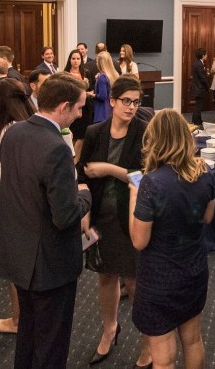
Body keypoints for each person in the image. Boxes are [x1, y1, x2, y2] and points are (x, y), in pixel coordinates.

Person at [0, 73, 91, 369]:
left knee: (29, 332)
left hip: (18, 253)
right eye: (79, 108)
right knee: (51, 342)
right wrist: (85, 195)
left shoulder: (14, 132)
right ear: (63, 106)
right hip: (49, 262)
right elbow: (65, 216)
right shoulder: (57, 147)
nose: (80, 114)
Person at [129, 109, 215, 369]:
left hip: (159, 279)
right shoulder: (205, 172)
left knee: (164, 360)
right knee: (193, 340)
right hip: (194, 271)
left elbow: (139, 241)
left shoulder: (151, 183)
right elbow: (207, 218)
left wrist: (133, 198)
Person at [77, 75, 151, 367]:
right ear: (112, 101)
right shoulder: (95, 132)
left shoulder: (145, 132)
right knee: (106, 277)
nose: (131, 107)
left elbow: (147, 179)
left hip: (131, 217)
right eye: (126, 101)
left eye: (136, 102)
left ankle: (147, 342)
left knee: (134, 282)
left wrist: (109, 169)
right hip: (100, 216)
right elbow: (82, 175)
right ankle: (110, 329)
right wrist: (85, 212)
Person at [0, 78, 36, 336]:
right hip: (31, 204)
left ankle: (18, 319)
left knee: (15, 265)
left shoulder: (11, 131)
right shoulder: (30, 123)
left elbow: (13, 175)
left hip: (15, 202)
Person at [65, 48, 92, 159]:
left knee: (82, 136)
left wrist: (88, 93)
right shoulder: (65, 74)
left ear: (81, 60)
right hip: (71, 106)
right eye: (73, 59)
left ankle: (76, 160)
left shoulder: (86, 73)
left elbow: (91, 89)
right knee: (72, 135)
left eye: (78, 59)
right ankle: (70, 157)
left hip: (85, 108)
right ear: (70, 60)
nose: (76, 61)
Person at [93, 51, 119, 123]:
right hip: (112, 111)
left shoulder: (102, 77)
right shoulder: (115, 75)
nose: (96, 63)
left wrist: (93, 95)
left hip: (101, 112)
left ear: (100, 63)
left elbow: (102, 96)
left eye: (96, 61)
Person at [190, 48, 208, 126]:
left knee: (198, 105)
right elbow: (202, 78)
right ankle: (195, 121)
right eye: (206, 54)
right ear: (203, 55)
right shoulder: (199, 64)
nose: (206, 56)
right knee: (198, 106)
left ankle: (198, 120)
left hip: (196, 88)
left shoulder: (196, 63)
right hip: (199, 88)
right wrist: (207, 87)